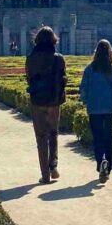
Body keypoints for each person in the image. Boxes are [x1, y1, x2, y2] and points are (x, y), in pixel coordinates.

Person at [79, 40, 112, 183]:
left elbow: (83, 89)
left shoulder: (90, 69)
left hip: (94, 108)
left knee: (97, 137)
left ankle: (101, 161)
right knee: (108, 136)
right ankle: (107, 167)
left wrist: (85, 100)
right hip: (110, 107)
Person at [26, 27, 67, 184]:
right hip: (54, 100)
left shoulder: (30, 59)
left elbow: (29, 79)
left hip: (37, 101)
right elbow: (64, 78)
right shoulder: (59, 58)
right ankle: (53, 165)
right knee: (53, 133)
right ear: (53, 40)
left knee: (41, 137)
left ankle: (45, 175)